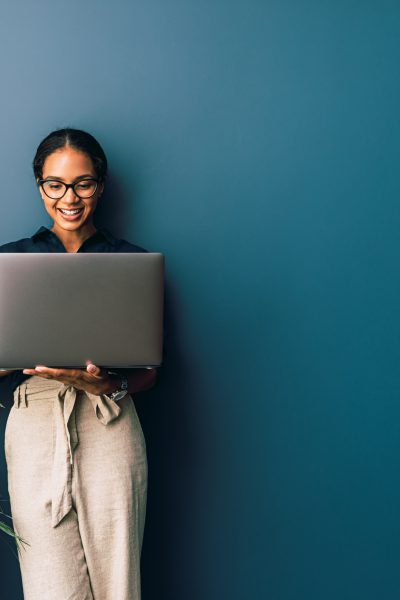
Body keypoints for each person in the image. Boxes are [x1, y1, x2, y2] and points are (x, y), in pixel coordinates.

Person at [0, 128, 157, 600]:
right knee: (49, 586)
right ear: (39, 185)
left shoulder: (130, 261)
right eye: (56, 184)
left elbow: (150, 371)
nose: (69, 198)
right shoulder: (9, 262)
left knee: (118, 583)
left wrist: (105, 383)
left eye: (83, 183)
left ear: (101, 185)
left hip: (109, 420)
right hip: (33, 426)